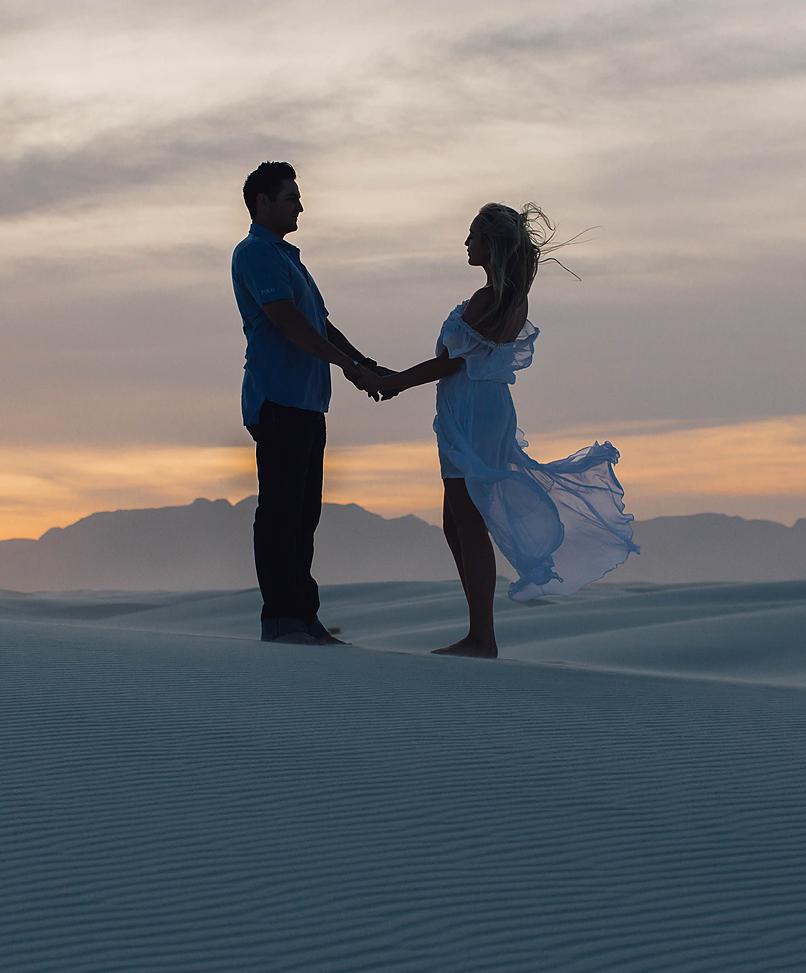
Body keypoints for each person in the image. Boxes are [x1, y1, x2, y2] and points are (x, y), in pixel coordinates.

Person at [374, 203, 637, 656]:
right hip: (482, 408)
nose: (466, 242)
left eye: (473, 234)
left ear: (491, 243)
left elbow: (451, 361)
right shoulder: (509, 297)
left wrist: (391, 382)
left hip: (473, 411)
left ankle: (482, 636)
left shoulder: (488, 299)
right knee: (455, 524)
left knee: (467, 522)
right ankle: (480, 632)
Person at [232, 162, 390, 646]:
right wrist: (348, 365)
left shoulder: (291, 259)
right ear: (263, 202)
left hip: (307, 403)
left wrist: (361, 362)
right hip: (278, 399)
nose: (300, 204)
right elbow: (287, 323)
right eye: (290, 197)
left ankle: (303, 617)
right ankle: (281, 620)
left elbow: (318, 323)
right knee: (280, 515)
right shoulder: (256, 253)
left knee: (304, 517)